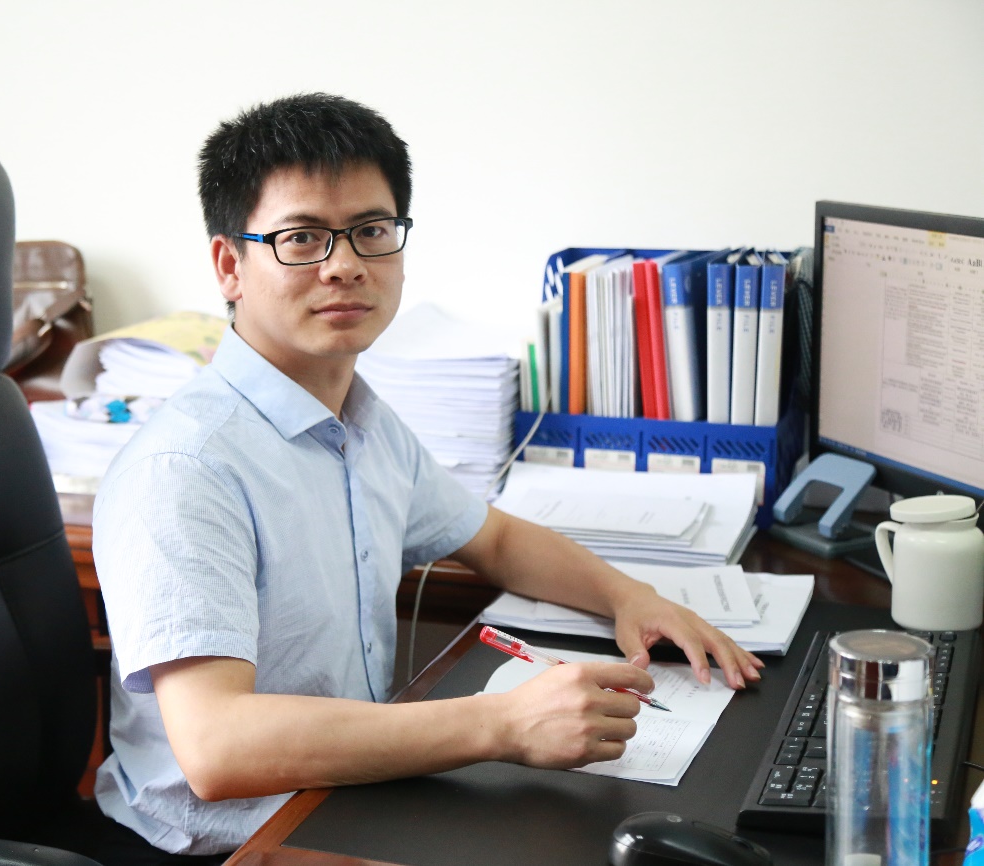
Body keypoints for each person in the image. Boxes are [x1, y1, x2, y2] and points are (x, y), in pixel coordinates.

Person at [90, 92, 764, 864]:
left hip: (336, 802)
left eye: (371, 231)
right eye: (301, 238)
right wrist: (503, 725)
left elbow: (495, 539)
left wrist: (628, 597)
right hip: (227, 847)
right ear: (228, 266)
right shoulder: (186, 470)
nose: (344, 264)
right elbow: (217, 748)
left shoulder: (359, 420)